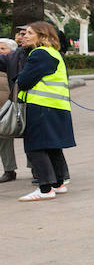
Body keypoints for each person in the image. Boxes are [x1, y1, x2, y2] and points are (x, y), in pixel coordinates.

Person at [14, 22, 75, 201]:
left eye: (29, 33)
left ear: (42, 36)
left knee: (35, 147)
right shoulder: (54, 53)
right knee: (52, 146)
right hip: (55, 106)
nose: (24, 36)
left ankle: (45, 188)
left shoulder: (39, 53)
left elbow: (24, 81)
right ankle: (58, 183)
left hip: (41, 107)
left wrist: (20, 76)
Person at [0, 36, 19, 183]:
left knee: (28, 136)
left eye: (2, 49)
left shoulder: (16, 65)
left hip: (15, 107)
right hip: (2, 110)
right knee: (4, 138)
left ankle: (35, 168)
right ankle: (9, 169)